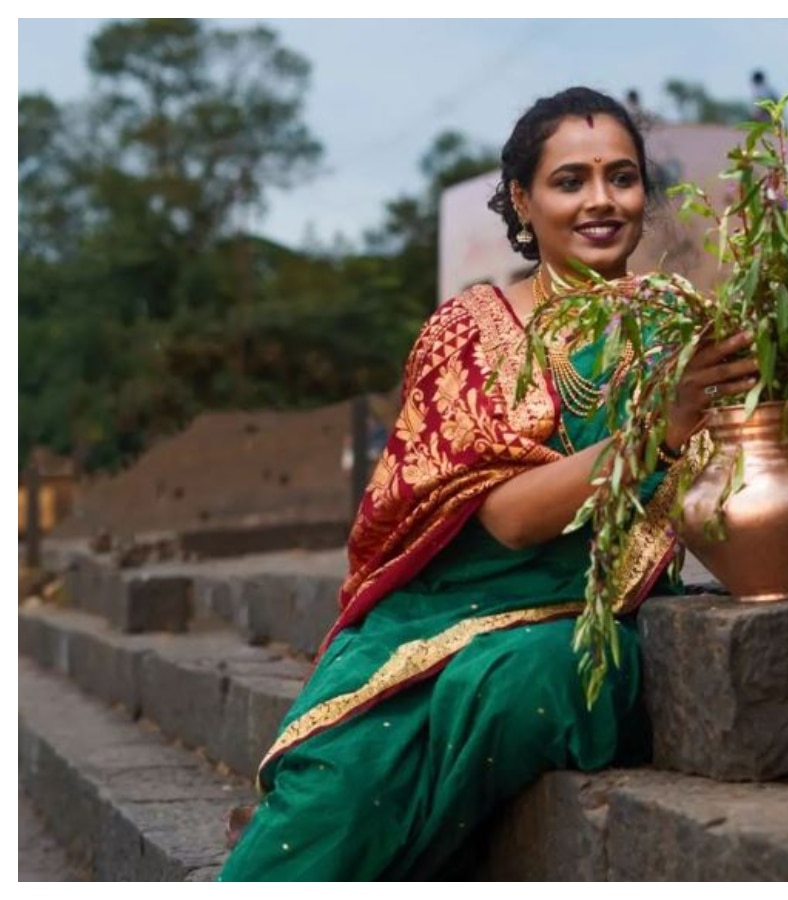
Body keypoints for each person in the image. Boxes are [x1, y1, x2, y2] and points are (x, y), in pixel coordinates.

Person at [217, 86, 758, 881]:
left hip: (589, 622)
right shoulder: (467, 332)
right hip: (430, 620)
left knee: (497, 686)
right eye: (570, 181)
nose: (601, 201)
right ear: (522, 200)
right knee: (344, 769)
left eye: (623, 177)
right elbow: (508, 519)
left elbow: (728, 501)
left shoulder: (683, 333)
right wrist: (655, 433)